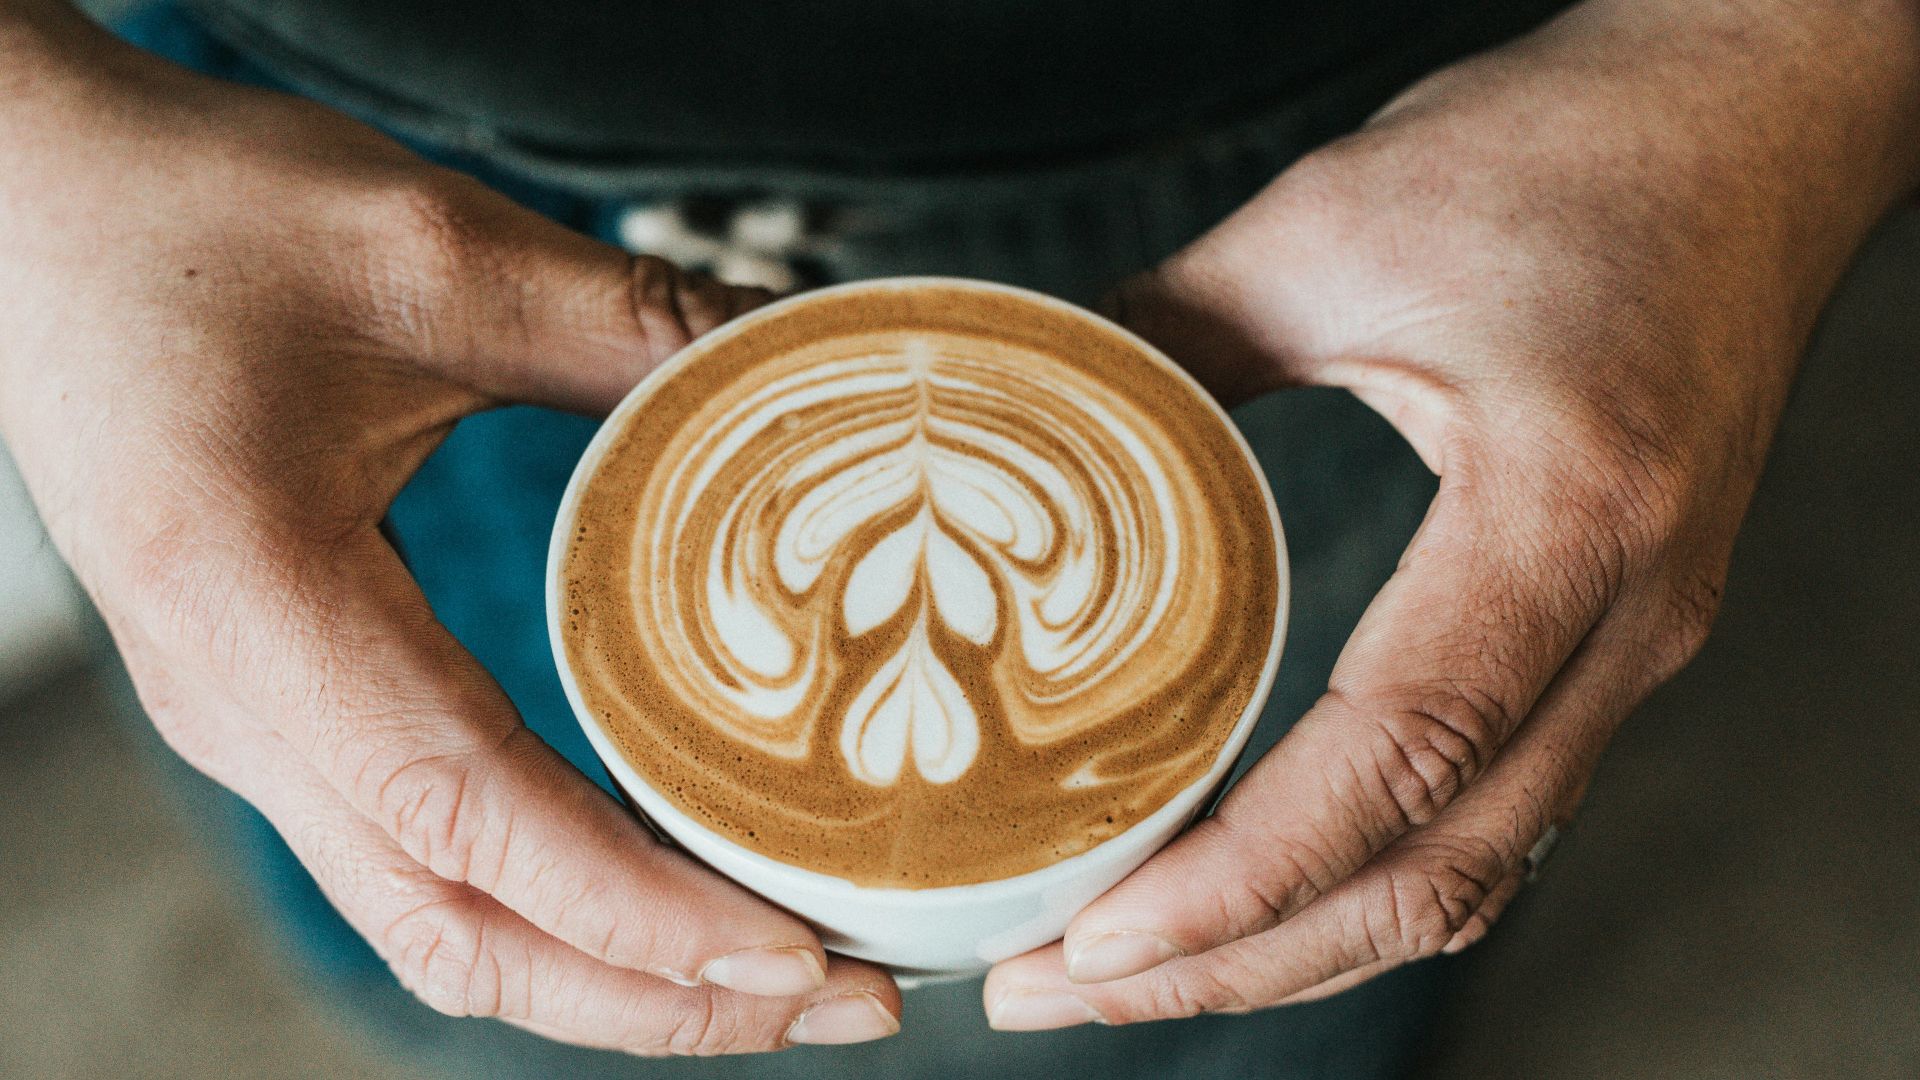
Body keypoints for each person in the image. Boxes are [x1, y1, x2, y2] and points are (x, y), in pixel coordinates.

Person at [1, 0, 1915, 1075]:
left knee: (1286, 961)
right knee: (503, 973)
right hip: (270, 179)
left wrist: (1775, 69)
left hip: (1389, 174)